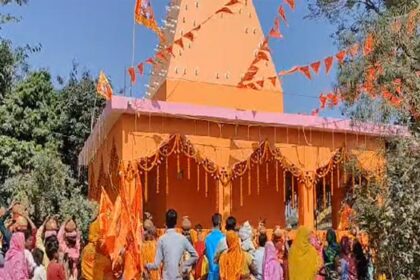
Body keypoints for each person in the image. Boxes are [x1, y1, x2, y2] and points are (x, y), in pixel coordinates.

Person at [145, 209, 198, 280]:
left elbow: (156, 265)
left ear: (165, 223)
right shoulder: (182, 239)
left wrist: (146, 266)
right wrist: (184, 265)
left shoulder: (161, 240)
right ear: (176, 223)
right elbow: (195, 256)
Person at [205, 213, 224, 280]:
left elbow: (206, 254)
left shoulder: (207, 238)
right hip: (221, 274)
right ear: (220, 222)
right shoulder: (223, 237)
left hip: (211, 275)